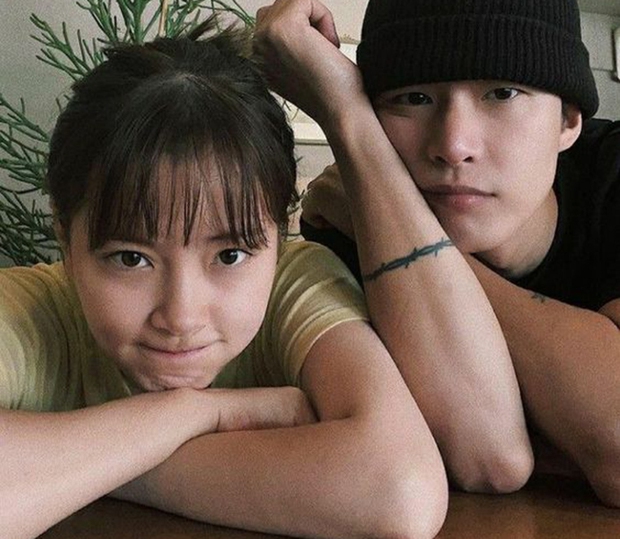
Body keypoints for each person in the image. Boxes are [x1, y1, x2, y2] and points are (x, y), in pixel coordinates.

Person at [0, 19, 449, 539]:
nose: (181, 316)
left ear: (280, 234)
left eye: (230, 255)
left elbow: (400, 492)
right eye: (130, 259)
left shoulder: (294, 287)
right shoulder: (31, 311)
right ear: (65, 238)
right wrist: (195, 414)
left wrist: (90, 467)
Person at [254, 0, 620, 505]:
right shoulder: (342, 233)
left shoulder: (612, 174)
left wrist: (400, 235)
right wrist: (345, 114)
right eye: (414, 97)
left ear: (569, 121)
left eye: (502, 93)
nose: (453, 144)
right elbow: (481, 458)